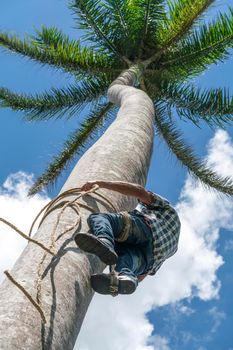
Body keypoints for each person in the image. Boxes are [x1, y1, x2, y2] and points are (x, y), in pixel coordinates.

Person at [75, 180, 181, 297]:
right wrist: (129, 280)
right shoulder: (173, 249)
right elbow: (142, 275)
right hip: (149, 259)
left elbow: (140, 191)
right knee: (125, 260)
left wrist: (100, 183)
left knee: (100, 218)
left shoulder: (166, 209)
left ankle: (105, 240)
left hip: (146, 229)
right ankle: (121, 277)